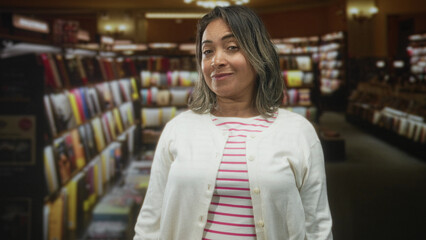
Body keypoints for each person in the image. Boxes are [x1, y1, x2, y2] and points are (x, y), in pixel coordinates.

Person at [134, 5, 333, 240]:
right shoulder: (178, 129)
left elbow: (317, 226)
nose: (217, 61)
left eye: (232, 47)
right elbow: (150, 222)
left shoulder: (298, 131)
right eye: (207, 52)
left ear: (259, 54)